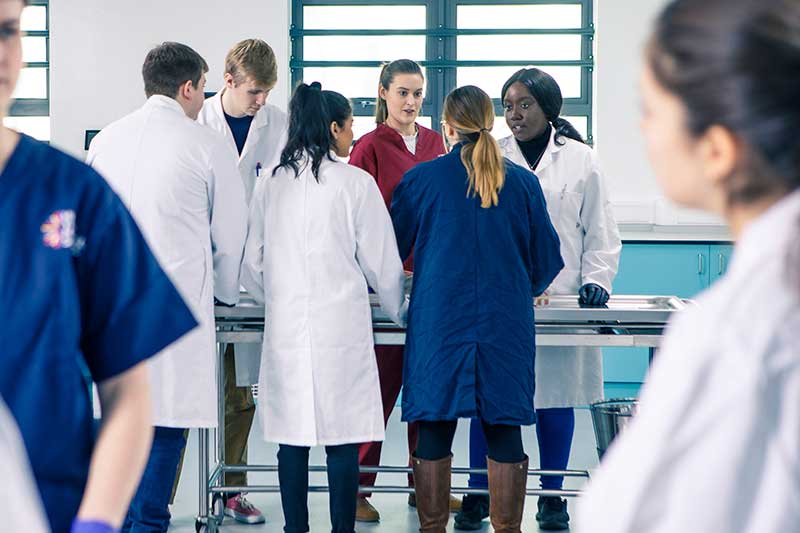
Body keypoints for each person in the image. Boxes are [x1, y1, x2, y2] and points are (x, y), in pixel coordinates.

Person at [576, 0, 800, 531]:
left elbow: (625, 516)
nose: (644, 130)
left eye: (651, 111)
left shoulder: (735, 327)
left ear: (717, 150)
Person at [0, 4, 198, 532]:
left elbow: (127, 389)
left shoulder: (70, 193)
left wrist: (98, 521)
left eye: (7, 31)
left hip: (51, 511)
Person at [87, 42, 247, 531]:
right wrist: (226, 294)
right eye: (203, 88)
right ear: (188, 87)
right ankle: (148, 522)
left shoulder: (106, 140)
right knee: (162, 424)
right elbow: (230, 235)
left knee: (116, 422)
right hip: (173, 311)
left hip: (109, 310)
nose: (204, 100)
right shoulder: (205, 144)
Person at [391, 85, 564, 533]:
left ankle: (431, 528)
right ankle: (509, 528)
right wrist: (515, 284)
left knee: (433, 424)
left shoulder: (422, 180)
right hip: (503, 325)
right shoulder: (523, 183)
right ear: (492, 123)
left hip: (438, 325)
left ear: (447, 127)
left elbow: (391, 247)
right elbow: (545, 261)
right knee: (504, 427)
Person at [455, 68, 622, 531]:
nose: (514, 115)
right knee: (487, 399)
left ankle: (553, 496)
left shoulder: (582, 161)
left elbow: (601, 230)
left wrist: (598, 281)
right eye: (508, 106)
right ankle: (477, 490)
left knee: (556, 397)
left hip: (563, 297)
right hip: (500, 300)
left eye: (524, 104)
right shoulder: (492, 155)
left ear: (549, 108)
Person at [240, 81, 407, 533]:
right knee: (342, 437)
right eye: (350, 126)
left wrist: (275, 296)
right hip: (342, 327)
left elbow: (251, 264)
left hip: (287, 327)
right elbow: (382, 263)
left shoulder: (270, 183)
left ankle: (296, 528)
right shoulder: (354, 183)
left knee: (291, 440)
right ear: (334, 128)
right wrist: (400, 311)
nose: (353, 135)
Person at [347, 58, 455, 521]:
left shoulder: (437, 144)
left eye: (417, 94)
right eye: (403, 93)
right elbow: (353, 215)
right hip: (382, 284)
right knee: (380, 387)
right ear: (384, 93)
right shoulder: (368, 147)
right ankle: (356, 487)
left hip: (433, 282)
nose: (411, 102)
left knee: (430, 389)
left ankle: (424, 486)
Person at [192, 37, 287, 525]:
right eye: (254, 92)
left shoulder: (277, 123)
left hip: (251, 278)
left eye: (267, 92)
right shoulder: (197, 122)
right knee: (180, 393)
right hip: (198, 271)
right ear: (227, 81)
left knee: (238, 391)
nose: (261, 102)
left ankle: (232, 491)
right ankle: (159, 499)